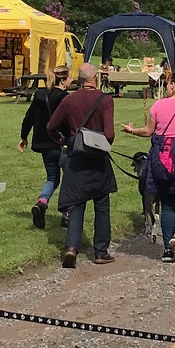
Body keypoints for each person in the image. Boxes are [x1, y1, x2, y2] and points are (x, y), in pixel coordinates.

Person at [125, 69, 175, 263]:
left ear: (174, 85)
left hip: (161, 159)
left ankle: (168, 250)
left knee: (167, 202)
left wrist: (131, 130)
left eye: (168, 83)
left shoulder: (158, 106)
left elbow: (148, 131)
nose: (166, 86)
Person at [46, 64, 119, 267]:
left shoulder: (69, 100)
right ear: (95, 78)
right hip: (98, 159)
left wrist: (62, 140)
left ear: (79, 78)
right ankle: (101, 251)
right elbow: (110, 133)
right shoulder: (105, 100)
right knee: (102, 204)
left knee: (76, 204)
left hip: (75, 155)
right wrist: (103, 143)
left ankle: (71, 248)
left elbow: (51, 126)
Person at [18, 66, 71, 229]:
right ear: (63, 80)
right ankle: (66, 214)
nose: (72, 80)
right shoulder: (65, 98)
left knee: (52, 178)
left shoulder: (40, 95)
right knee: (68, 179)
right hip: (62, 144)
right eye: (70, 77)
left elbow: (29, 117)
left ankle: (42, 202)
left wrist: (23, 136)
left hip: (44, 145)